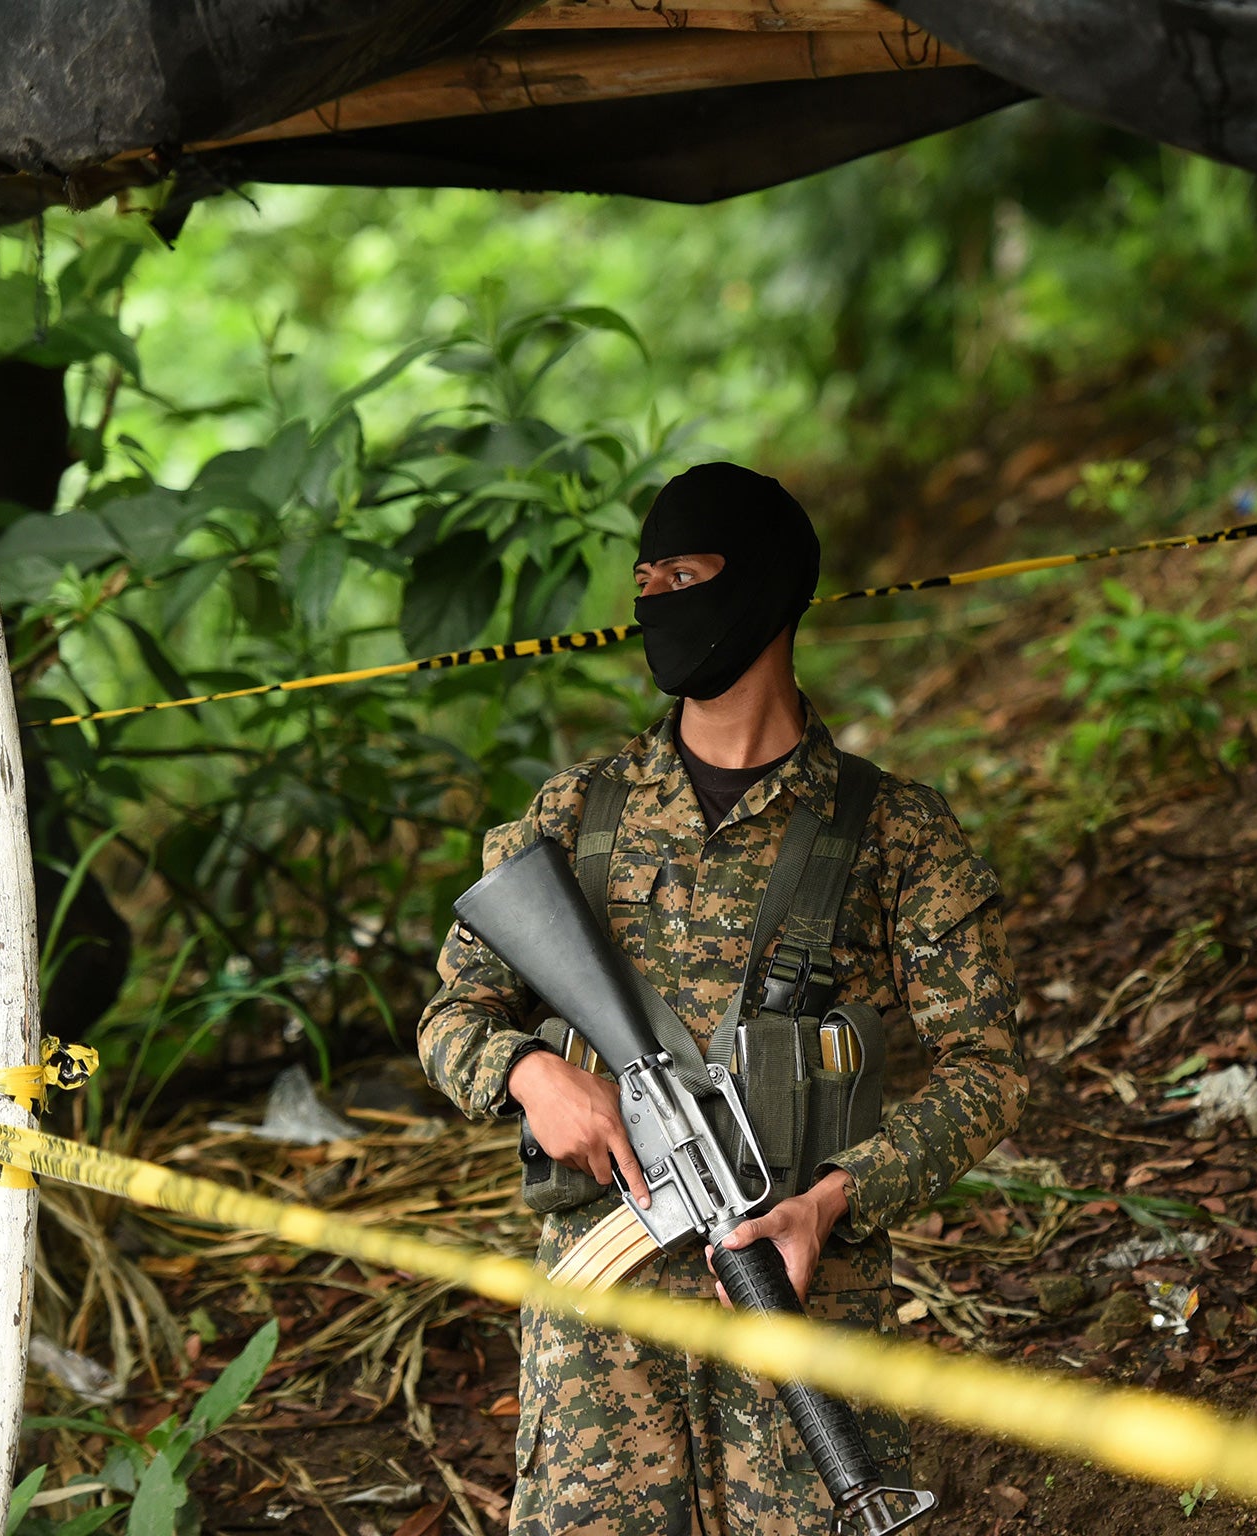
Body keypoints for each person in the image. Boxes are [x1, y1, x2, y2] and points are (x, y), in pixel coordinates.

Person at [418, 461, 1027, 1535]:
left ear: (765, 588)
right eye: (644, 581)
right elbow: (451, 1015)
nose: (658, 601)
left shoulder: (890, 832)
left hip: (797, 1297)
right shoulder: (573, 815)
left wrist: (830, 1200)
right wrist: (529, 1072)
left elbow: (987, 1072)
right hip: (599, 1331)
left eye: (684, 573)